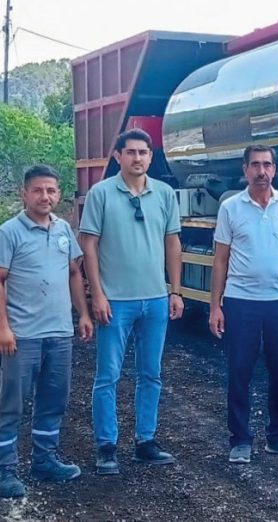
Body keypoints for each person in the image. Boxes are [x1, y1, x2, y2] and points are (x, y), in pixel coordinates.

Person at [79, 128, 185, 475]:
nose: (137, 158)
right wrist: (97, 293)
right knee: (108, 375)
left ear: (151, 157)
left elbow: (172, 243)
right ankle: (106, 446)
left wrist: (175, 290)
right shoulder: (102, 194)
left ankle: (145, 441)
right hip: (116, 302)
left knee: (150, 374)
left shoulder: (165, 194)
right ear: (118, 157)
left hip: (155, 299)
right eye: (131, 152)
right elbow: (89, 245)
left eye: (143, 152)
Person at [0, 164, 92, 498]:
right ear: (24, 194)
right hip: (22, 336)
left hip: (59, 333)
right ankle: (4, 471)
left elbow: (75, 273)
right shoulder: (8, 233)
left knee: (53, 400)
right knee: (12, 404)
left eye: (51, 190)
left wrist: (83, 315)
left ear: (58, 194)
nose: (45, 196)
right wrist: (3, 328)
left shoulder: (63, 230)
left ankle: (45, 461)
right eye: (38, 190)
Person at [208, 145, 278, 464]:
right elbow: (220, 258)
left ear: (275, 170)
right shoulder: (230, 207)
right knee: (240, 372)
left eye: (267, 165)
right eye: (255, 165)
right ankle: (240, 440)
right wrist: (216, 306)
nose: (261, 171)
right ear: (244, 170)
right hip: (242, 302)